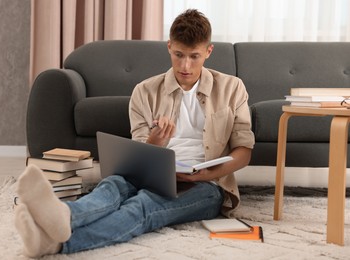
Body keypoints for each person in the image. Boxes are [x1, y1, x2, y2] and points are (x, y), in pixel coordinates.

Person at [14, 9, 254, 258]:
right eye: (178, 55)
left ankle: (59, 244)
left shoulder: (232, 88)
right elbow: (138, 152)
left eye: (194, 56)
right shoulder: (145, 91)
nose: (185, 65)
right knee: (112, 186)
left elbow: (244, 152)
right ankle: (64, 215)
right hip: (151, 174)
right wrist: (155, 142)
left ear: (208, 51)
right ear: (169, 47)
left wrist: (208, 174)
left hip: (207, 185)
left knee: (143, 206)